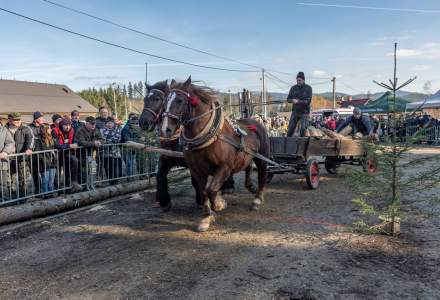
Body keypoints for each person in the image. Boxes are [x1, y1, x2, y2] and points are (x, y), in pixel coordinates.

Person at [6, 113, 34, 198]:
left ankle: (23, 197)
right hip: (8, 159)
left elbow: (30, 139)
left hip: (22, 158)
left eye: (19, 119)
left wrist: (29, 148)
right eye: (16, 119)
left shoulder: (25, 129)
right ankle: (12, 198)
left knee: (24, 179)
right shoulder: (4, 129)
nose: (18, 121)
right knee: (10, 180)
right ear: (10, 120)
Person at [52, 118, 82, 192]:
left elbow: (75, 140)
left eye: (69, 125)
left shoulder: (72, 130)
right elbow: (56, 145)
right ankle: (58, 190)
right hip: (57, 155)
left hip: (67, 153)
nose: (67, 127)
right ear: (62, 125)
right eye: (65, 125)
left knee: (74, 162)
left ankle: (72, 184)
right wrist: (69, 146)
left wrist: (75, 144)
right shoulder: (55, 131)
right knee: (57, 174)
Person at [76, 116, 104, 182]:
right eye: (92, 124)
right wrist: (94, 143)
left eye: (94, 124)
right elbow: (82, 142)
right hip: (82, 155)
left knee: (93, 171)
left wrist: (99, 142)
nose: (93, 125)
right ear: (87, 123)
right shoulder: (80, 130)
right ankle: (84, 186)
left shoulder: (96, 130)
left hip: (92, 155)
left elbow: (102, 139)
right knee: (84, 173)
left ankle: (92, 184)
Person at [286, 72, 313, 137]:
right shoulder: (293, 88)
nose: (298, 82)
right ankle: (287, 141)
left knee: (303, 128)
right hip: (295, 111)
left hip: (305, 112)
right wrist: (292, 100)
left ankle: (301, 143)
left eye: (299, 80)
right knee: (290, 128)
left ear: (303, 80)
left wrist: (298, 101)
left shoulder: (308, 88)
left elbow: (308, 101)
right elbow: (288, 99)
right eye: (297, 80)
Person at [29, 112, 45, 194]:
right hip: (34, 154)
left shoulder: (43, 127)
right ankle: (37, 190)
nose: (43, 119)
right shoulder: (29, 128)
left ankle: (45, 189)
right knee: (35, 173)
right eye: (41, 118)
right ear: (36, 119)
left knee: (44, 172)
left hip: (43, 153)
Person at [39, 125, 57, 195]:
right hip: (44, 163)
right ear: (45, 130)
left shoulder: (51, 138)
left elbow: (55, 148)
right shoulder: (40, 140)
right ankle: (46, 194)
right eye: (49, 129)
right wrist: (44, 161)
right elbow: (40, 152)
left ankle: (51, 193)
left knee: (51, 180)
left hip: (52, 162)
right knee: (45, 180)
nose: (51, 130)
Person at [0, 123, 15, 200]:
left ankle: (5, 201)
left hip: (1, 162)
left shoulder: (4, 130)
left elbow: (11, 143)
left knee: (2, 184)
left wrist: (5, 152)